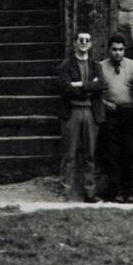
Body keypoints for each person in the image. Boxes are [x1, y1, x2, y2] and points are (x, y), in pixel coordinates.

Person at [57, 29, 104, 203]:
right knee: (69, 154)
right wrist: (88, 86)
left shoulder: (96, 66)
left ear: (90, 44)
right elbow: (66, 89)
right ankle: (66, 193)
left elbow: (101, 86)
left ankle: (89, 193)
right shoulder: (65, 66)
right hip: (72, 113)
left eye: (87, 40)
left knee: (90, 154)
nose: (84, 42)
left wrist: (79, 85)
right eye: (81, 39)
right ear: (75, 42)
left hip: (91, 113)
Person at [98, 32, 133, 203]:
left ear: (125, 50)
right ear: (109, 50)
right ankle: (116, 192)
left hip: (130, 114)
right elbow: (95, 92)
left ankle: (131, 192)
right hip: (111, 114)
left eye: (121, 49)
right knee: (113, 153)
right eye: (114, 49)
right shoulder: (100, 66)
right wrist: (104, 104)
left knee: (131, 152)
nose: (117, 53)